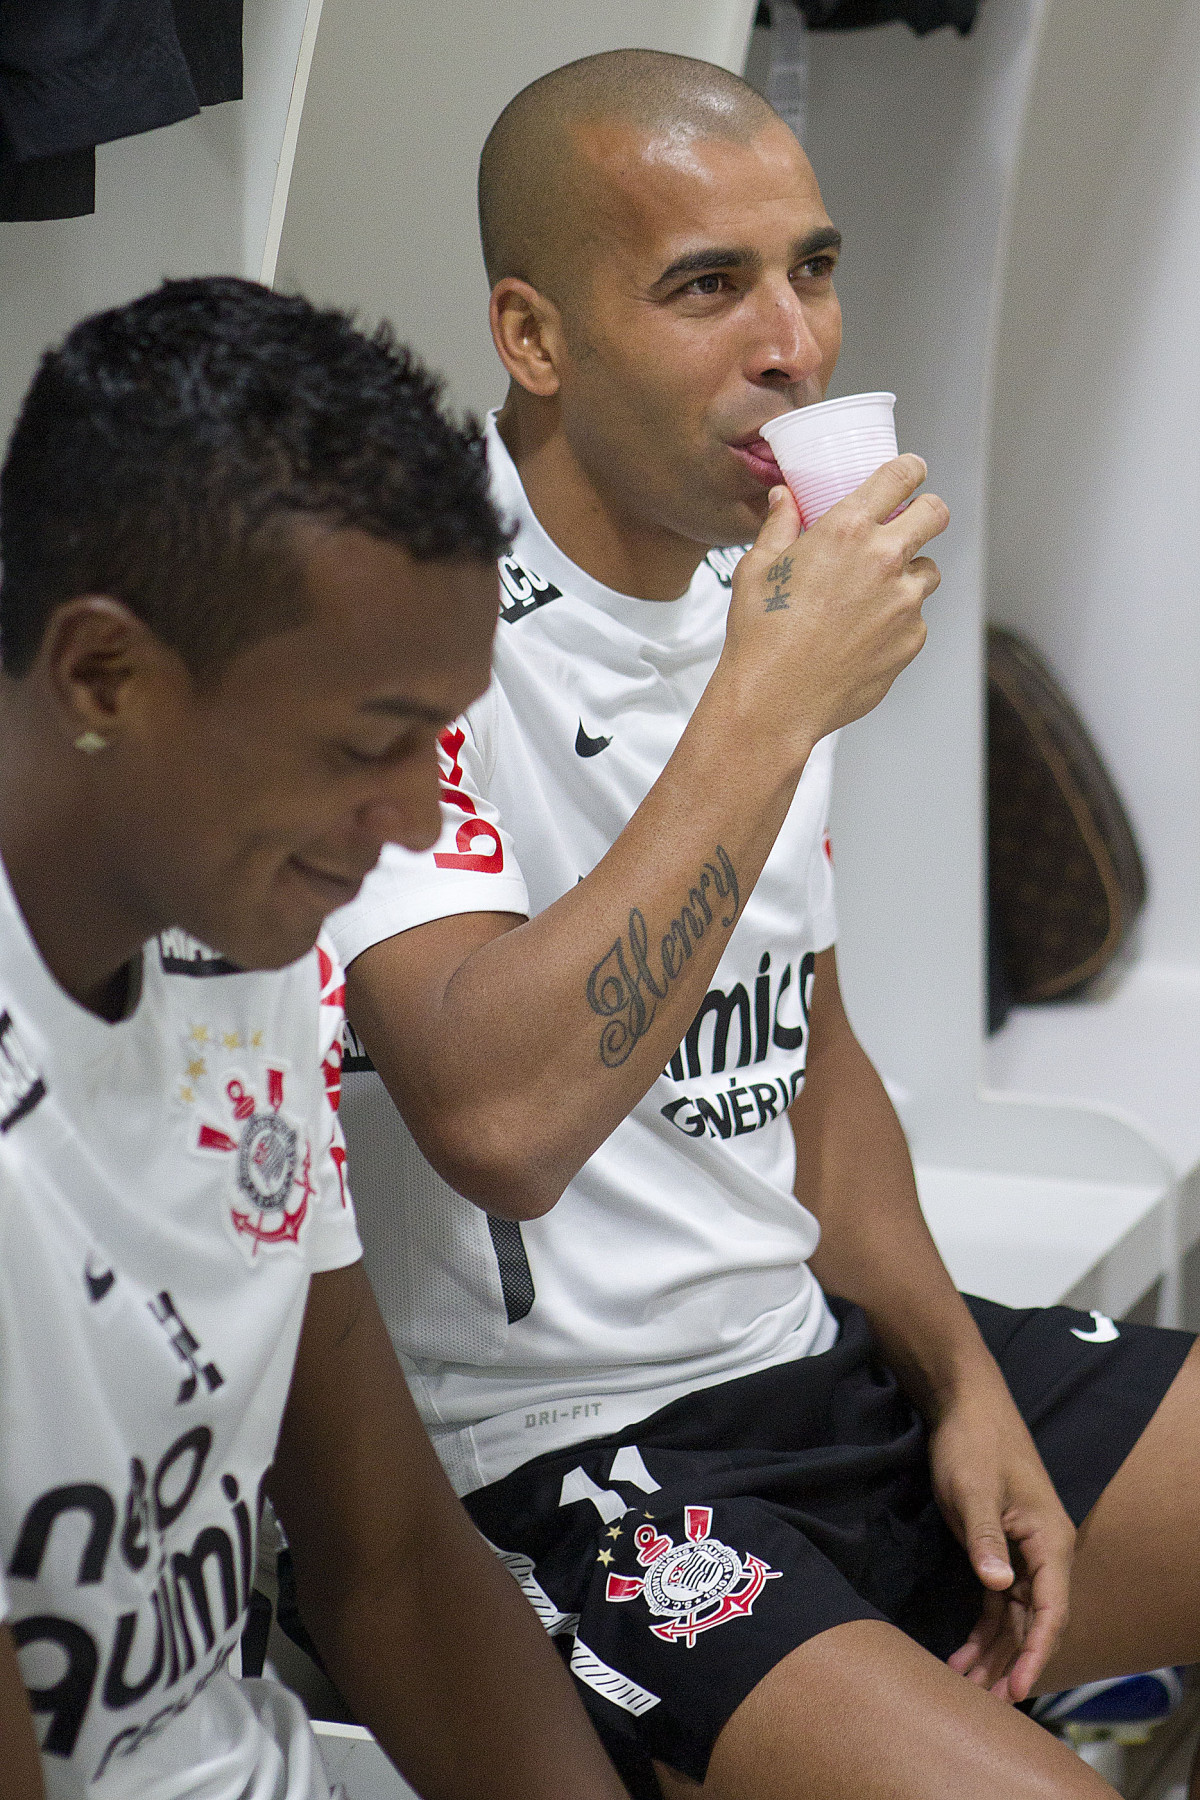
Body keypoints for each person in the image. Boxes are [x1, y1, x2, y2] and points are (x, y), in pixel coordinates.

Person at [323, 48, 1200, 1800]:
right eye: (707, 286)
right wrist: (770, 704)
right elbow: (498, 1125)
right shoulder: (397, 615)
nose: (794, 341)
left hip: (815, 1358)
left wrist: (959, 1369)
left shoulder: (754, 582)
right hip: (564, 1463)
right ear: (536, 338)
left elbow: (811, 1054)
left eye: (813, 267)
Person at [0, 277, 633, 1800]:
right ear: (105, 674)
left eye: (444, 739)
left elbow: (394, 1558)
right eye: (368, 745)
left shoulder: (247, 933)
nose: (419, 817)